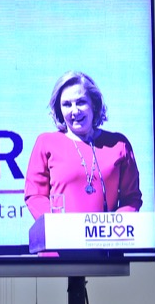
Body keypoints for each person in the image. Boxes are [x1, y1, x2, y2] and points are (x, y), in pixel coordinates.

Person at [24, 70, 143, 221]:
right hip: (62, 234)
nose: (75, 111)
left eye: (81, 102)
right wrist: (58, 225)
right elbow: (35, 196)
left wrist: (114, 225)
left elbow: (131, 198)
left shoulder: (119, 144)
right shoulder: (46, 143)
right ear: (59, 110)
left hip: (106, 235)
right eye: (67, 104)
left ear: (94, 104)